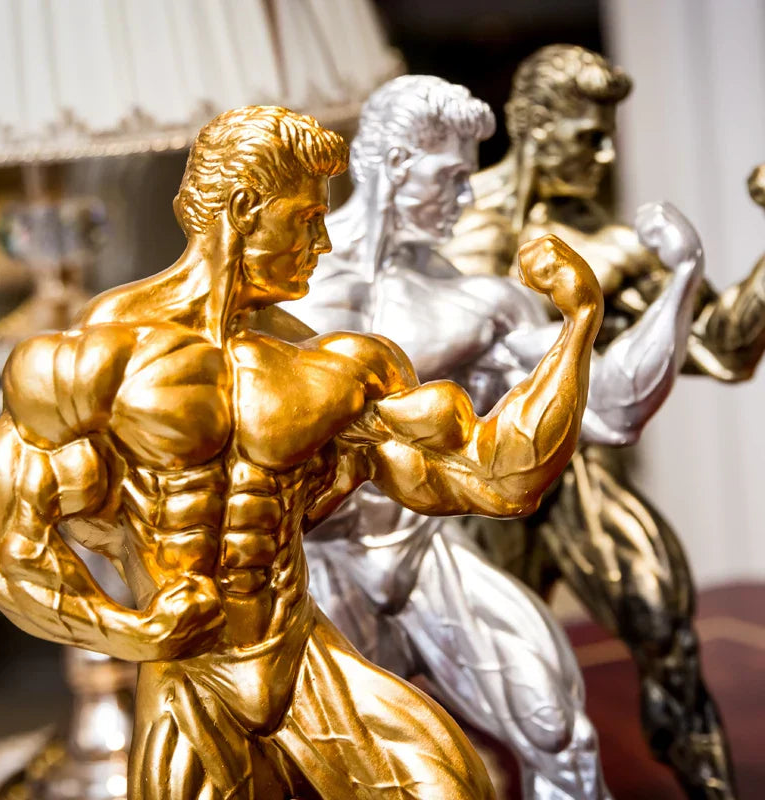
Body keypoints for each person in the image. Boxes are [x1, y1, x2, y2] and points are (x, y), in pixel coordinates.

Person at [0, 106, 603, 800]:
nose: (322, 242)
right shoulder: (95, 361)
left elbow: (499, 479)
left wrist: (577, 327)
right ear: (245, 209)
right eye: (307, 219)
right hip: (189, 679)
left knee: (448, 786)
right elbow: (13, 553)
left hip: (301, 659)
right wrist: (133, 633)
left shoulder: (335, 367)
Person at [283, 76, 704, 799]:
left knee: (561, 736)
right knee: (323, 778)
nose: (466, 198)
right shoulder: (281, 288)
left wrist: (682, 280)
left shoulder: (478, 301)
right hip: (311, 562)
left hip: (424, 550)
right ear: (394, 164)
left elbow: (613, 409)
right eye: (451, 177)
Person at [445, 45, 765, 799]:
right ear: (535, 126)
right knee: (468, 680)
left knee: (662, 621)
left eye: (608, 136)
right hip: (476, 481)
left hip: (576, 471)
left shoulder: (607, 237)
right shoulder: (455, 220)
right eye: (589, 137)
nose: (607, 156)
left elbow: (723, 348)